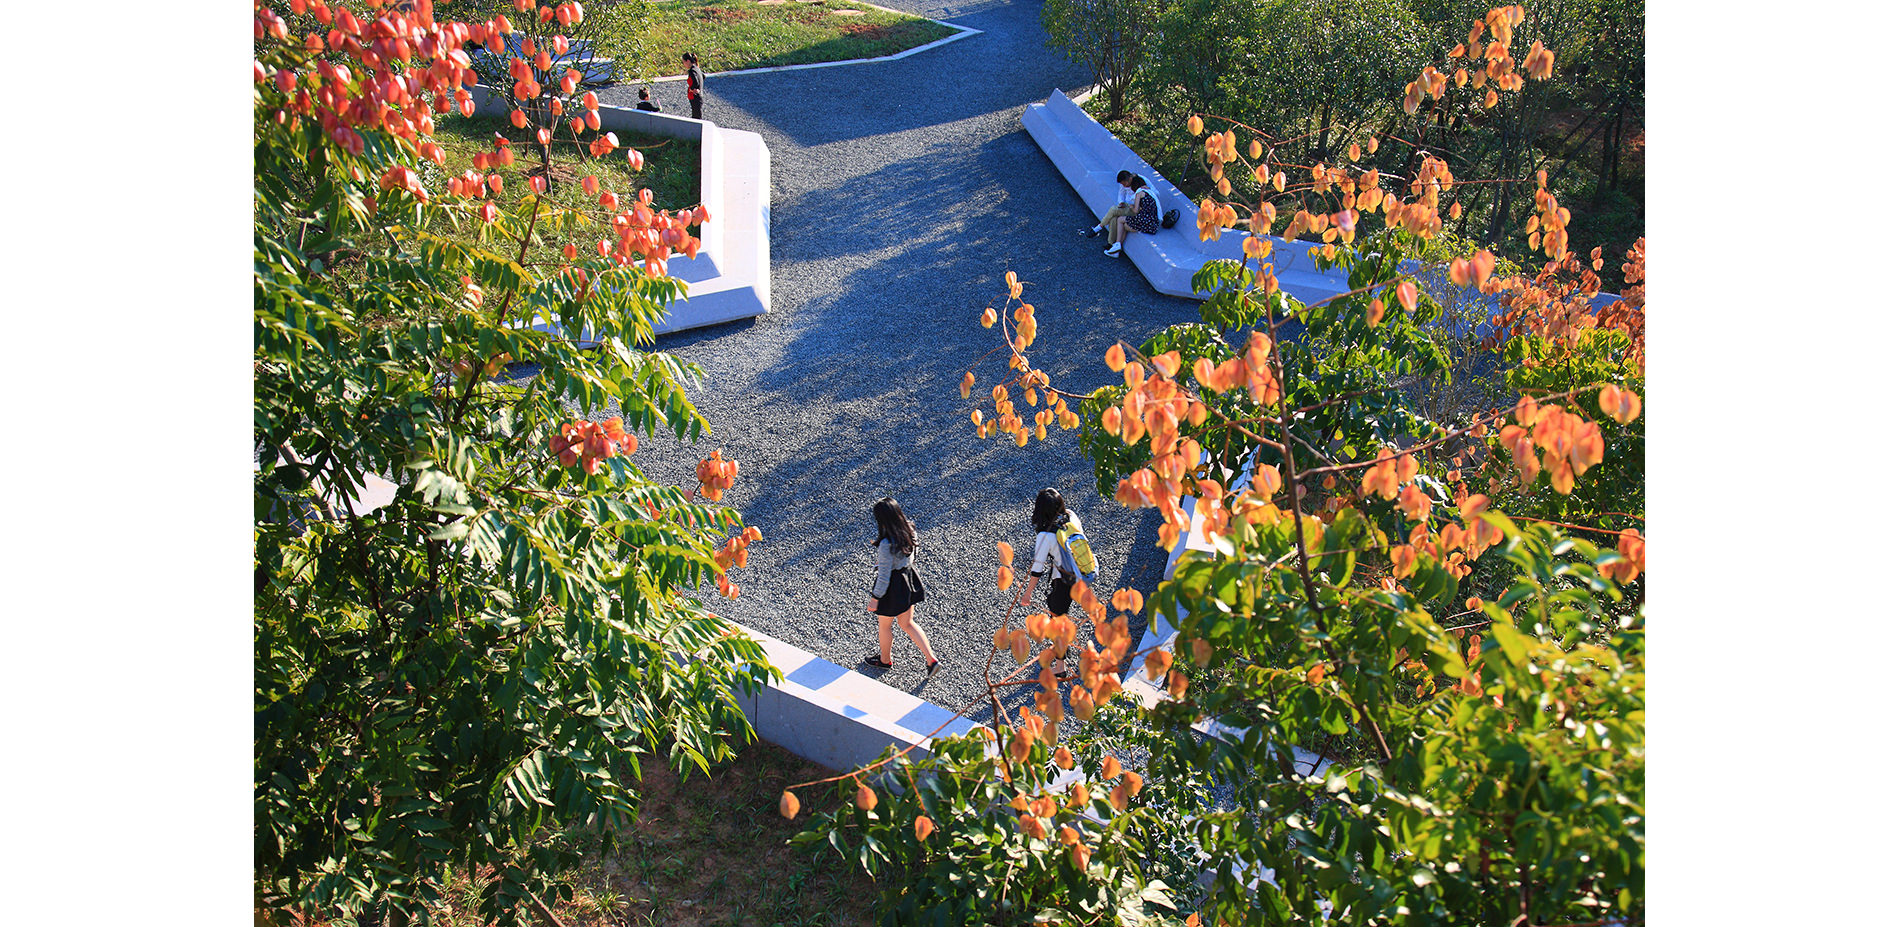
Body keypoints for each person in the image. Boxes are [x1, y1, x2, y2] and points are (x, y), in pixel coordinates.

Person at [1014, 488, 1097, 678]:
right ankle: (1062, 649)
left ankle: (1060, 667)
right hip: (1079, 575)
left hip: (1064, 582)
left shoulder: (1046, 536)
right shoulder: (1070, 517)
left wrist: (1027, 594)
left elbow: (1037, 569)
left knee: (1058, 622)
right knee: (1061, 616)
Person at [864, 497, 941, 673]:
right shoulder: (910, 529)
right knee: (907, 623)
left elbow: (884, 577)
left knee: (885, 626)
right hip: (908, 580)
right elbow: (913, 554)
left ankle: (885, 660)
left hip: (892, 588)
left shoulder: (885, 544)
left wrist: (875, 598)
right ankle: (931, 660)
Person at [1102, 175, 1159, 258]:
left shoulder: (1139, 193)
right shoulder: (1150, 193)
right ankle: (1116, 250)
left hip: (1144, 221)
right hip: (1153, 223)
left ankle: (1117, 244)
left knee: (1120, 220)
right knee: (1125, 225)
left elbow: (1135, 210)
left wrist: (1132, 207)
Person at [1078, 170, 1136, 239]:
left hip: (1134, 208)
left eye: (1124, 184)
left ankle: (1098, 228)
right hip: (1127, 205)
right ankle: (1111, 243)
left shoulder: (1140, 183)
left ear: (1129, 179)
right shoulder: (1125, 183)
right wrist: (1121, 202)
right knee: (1113, 218)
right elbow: (1121, 193)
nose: (1124, 186)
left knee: (1113, 210)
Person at [682, 52, 705, 120]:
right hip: (699, 96)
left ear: (688, 61)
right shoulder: (697, 68)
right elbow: (703, 76)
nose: (684, 64)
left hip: (694, 96)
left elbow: (695, 81)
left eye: (684, 62)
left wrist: (692, 89)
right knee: (697, 115)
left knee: (696, 117)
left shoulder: (692, 71)